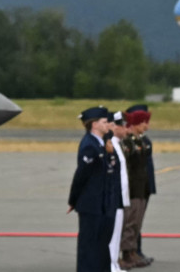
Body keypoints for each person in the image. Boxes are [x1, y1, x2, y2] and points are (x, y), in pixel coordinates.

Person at [69, 106, 112, 272]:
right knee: (88, 248)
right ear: (94, 124)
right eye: (104, 121)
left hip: (100, 204)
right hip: (90, 204)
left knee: (100, 247)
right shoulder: (89, 145)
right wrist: (73, 200)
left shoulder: (100, 144)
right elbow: (81, 176)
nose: (107, 124)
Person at [120, 111, 151, 269]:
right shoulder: (127, 143)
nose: (147, 125)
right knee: (129, 222)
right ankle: (126, 253)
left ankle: (132, 251)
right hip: (131, 189)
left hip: (140, 188)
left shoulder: (140, 142)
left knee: (136, 222)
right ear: (136, 123)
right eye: (144, 122)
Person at [107, 112, 131, 272]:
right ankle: (110, 265)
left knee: (116, 235)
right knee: (111, 235)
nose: (125, 129)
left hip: (120, 197)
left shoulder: (116, 144)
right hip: (114, 197)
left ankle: (114, 264)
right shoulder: (110, 145)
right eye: (122, 125)